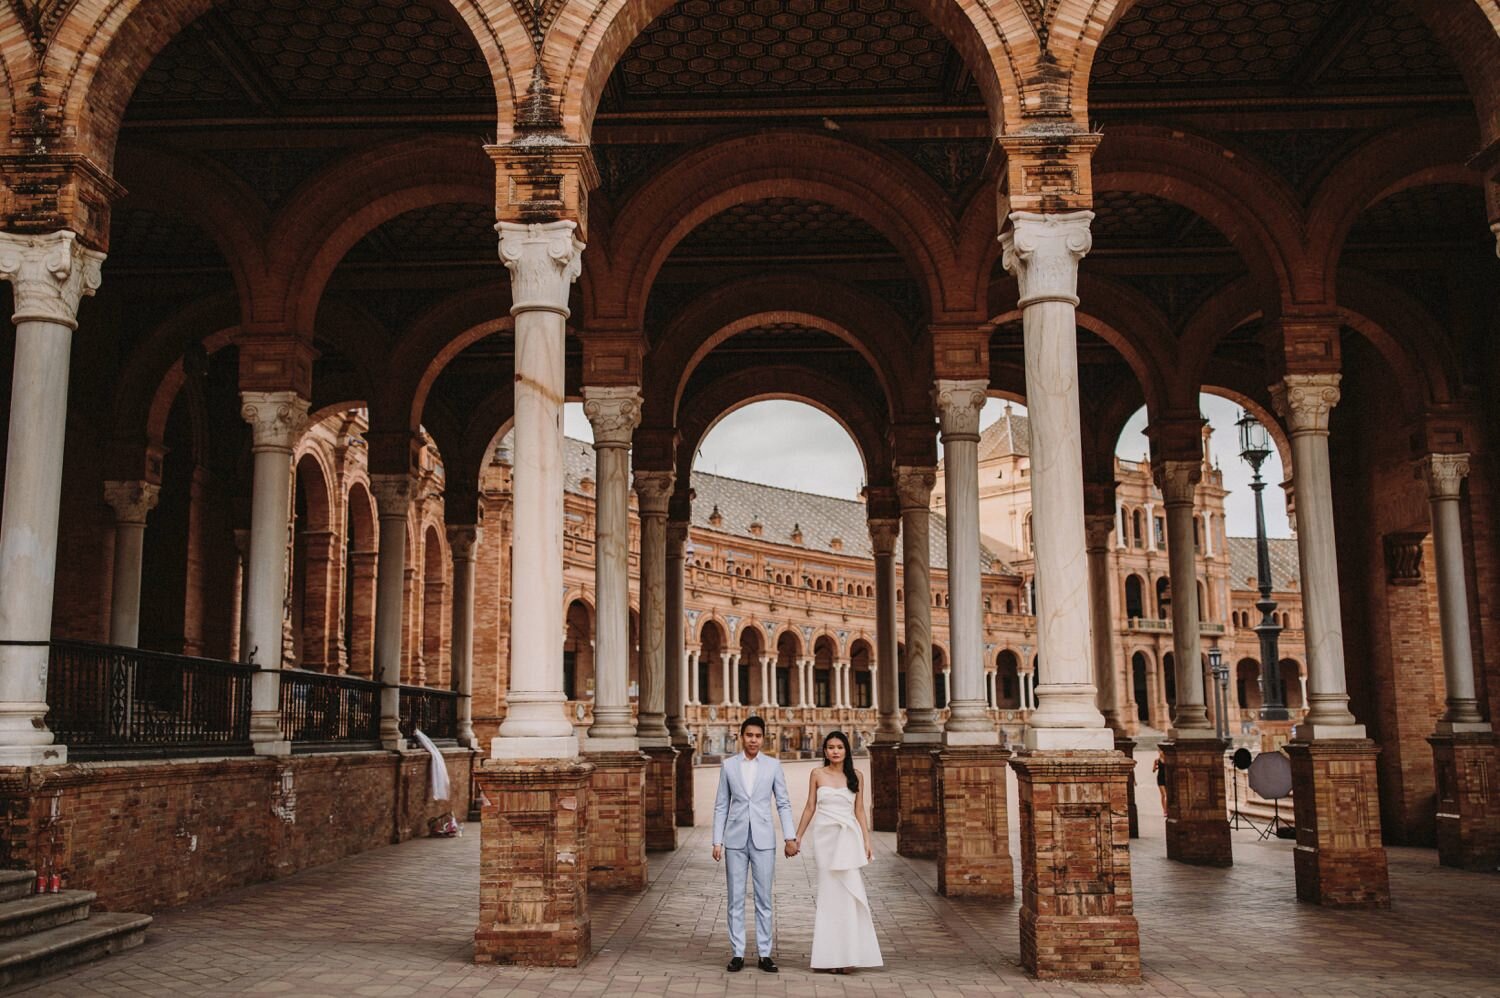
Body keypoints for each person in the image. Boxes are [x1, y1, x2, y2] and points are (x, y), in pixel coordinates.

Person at [711, 715, 797, 974]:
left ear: (763, 738)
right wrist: (718, 840)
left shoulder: (773, 766)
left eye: (758, 736)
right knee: (735, 898)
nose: (753, 740)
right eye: (749, 735)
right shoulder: (728, 766)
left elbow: (783, 802)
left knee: (764, 899)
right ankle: (737, 953)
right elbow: (721, 805)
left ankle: (764, 953)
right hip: (735, 839)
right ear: (741, 737)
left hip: (763, 839)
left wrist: (789, 837)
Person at [793, 730, 883, 974]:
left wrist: (866, 840)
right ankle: (830, 958)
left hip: (848, 838)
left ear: (846, 750)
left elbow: (860, 811)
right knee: (829, 897)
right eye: (830, 747)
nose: (835, 751)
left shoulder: (857, 776)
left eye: (839, 747)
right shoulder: (817, 774)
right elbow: (810, 807)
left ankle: (849, 956)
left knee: (849, 895)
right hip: (824, 839)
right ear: (825, 751)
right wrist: (797, 836)